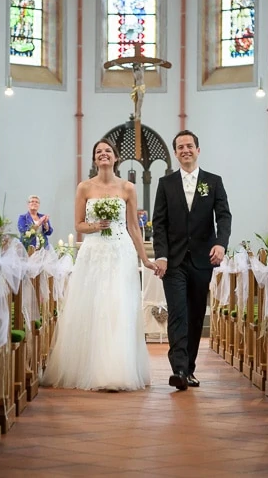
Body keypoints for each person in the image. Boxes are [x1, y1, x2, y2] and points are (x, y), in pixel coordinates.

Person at [41, 138, 157, 391]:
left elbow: (133, 227)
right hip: (94, 252)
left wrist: (144, 258)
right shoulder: (84, 187)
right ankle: (89, 369)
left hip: (120, 252)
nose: (103, 154)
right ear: (95, 159)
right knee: (93, 305)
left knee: (118, 306)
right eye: (98, 152)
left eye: (107, 151)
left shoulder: (128, 188)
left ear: (115, 157)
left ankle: (117, 370)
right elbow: (78, 225)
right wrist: (96, 226)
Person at [151, 130, 232, 390]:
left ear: (198, 150)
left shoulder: (214, 181)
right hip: (173, 261)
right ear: (175, 153)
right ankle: (179, 370)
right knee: (178, 314)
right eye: (180, 147)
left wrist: (220, 243)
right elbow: (159, 223)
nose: (185, 150)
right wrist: (161, 256)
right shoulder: (166, 184)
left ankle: (190, 369)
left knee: (196, 315)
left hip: (202, 259)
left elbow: (224, 216)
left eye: (189, 146)